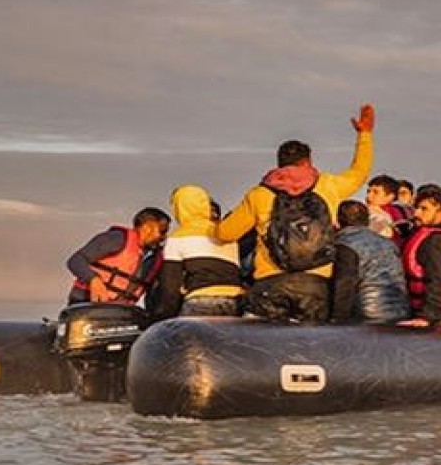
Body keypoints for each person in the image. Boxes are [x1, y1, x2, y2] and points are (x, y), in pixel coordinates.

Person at [215, 104, 375, 322]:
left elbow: (226, 233)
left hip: (270, 283)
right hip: (316, 284)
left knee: (265, 343)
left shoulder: (260, 194)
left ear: (279, 164)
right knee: (313, 343)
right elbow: (359, 173)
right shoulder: (327, 186)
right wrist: (365, 135)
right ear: (308, 162)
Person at [149, 184, 244, 320]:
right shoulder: (226, 235)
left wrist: (163, 319)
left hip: (200, 301)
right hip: (235, 302)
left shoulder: (177, 238)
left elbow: (170, 288)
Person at [65, 207, 170, 306]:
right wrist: (94, 280)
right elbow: (75, 261)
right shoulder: (117, 238)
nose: (164, 237)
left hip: (119, 312)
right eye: (162, 231)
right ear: (147, 227)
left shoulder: (155, 259)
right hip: (85, 304)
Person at [330, 200, 410, 324]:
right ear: (367, 220)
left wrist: (338, 319)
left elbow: (345, 285)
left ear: (339, 220)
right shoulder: (389, 244)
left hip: (367, 313)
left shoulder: (346, 245)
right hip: (400, 310)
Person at [398, 185, 441, 327]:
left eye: (424, 209)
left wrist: (427, 317)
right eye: (416, 208)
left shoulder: (437, 240)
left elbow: (438, 280)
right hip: (434, 312)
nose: (417, 213)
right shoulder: (424, 234)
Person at [364, 173, 412, 242]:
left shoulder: (396, 214)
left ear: (390, 196)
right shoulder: (366, 210)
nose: (369, 195)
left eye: (375, 192)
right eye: (368, 191)